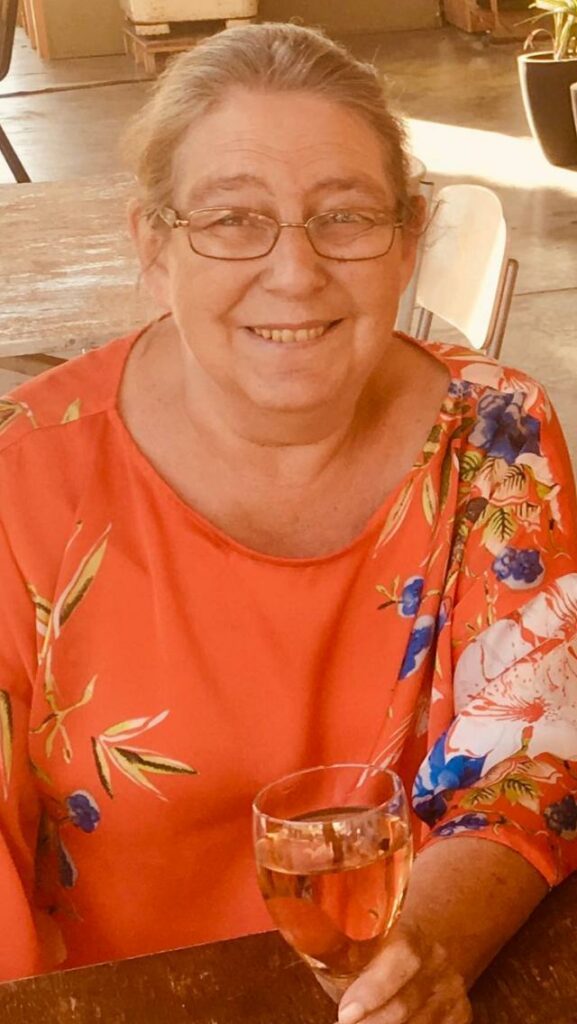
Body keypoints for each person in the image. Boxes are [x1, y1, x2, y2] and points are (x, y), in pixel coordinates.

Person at [1, 20, 576, 1024]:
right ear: (153, 244)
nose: (295, 270)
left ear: (408, 238)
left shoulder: (496, 435)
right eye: (233, 219)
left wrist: (423, 957)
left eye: (344, 216)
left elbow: (525, 759)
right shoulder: (25, 472)